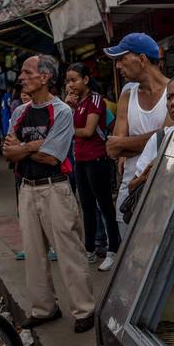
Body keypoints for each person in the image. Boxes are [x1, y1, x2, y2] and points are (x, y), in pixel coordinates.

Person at [2, 54, 95, 333]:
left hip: (55, 188)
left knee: (69, 252)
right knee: (34, 253)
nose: (22, 77)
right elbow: (8, 151)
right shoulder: (20, 112)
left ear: (44, 77)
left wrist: (25, 148)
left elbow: (53, 157)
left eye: (27, 72)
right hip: (27, 189)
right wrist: (35, 146)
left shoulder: (62, 111)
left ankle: (84, 310)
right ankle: (44, 309)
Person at [103, 32, 171, 236]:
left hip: (164, 188)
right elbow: (113, 148)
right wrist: (155, 138)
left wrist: (126, 144)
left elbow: (168, 140)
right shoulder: (127, 94)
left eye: (122, 58)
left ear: (142, 59)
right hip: (129, 192)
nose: (118, 66)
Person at [65, 62, 120, 271]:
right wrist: (68, 106)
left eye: (74, 80)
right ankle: (89, 249)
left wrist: (69, 130)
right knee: (86, 205)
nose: (70, 85)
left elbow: (88, 131)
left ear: (86, 80)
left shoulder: (95, 100)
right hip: (80, 158)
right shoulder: (76, 103)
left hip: (97, 158)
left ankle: (113, 248)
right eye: (68, 81)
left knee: (104, 204)